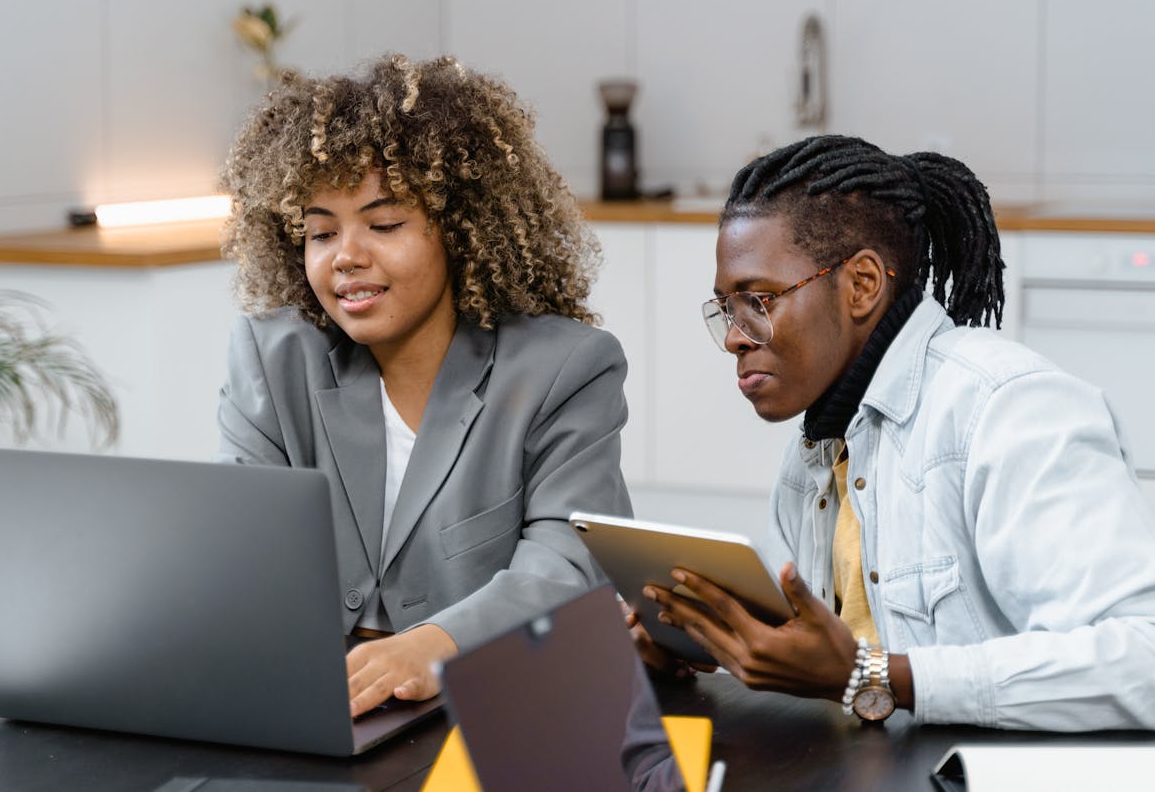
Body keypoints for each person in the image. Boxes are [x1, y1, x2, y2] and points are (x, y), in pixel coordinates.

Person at [637, 134, 1155, 730]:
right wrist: (705, 649)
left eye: (759, 299)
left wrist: (876, 675)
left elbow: (1140, 657)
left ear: (861, 285)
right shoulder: (815, 455)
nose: (734, 334)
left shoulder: (1005, 407)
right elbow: (829, 673)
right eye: (727, 308)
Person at [216, 54, 632, 717]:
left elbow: (565, 566)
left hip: (500, 707)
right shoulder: (273, 358)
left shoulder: (567, 369)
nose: (346, 255)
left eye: (384, 224)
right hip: (322, 707)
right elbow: (238, 553)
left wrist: (431, 645)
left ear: (461, 231)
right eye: (321, 231)